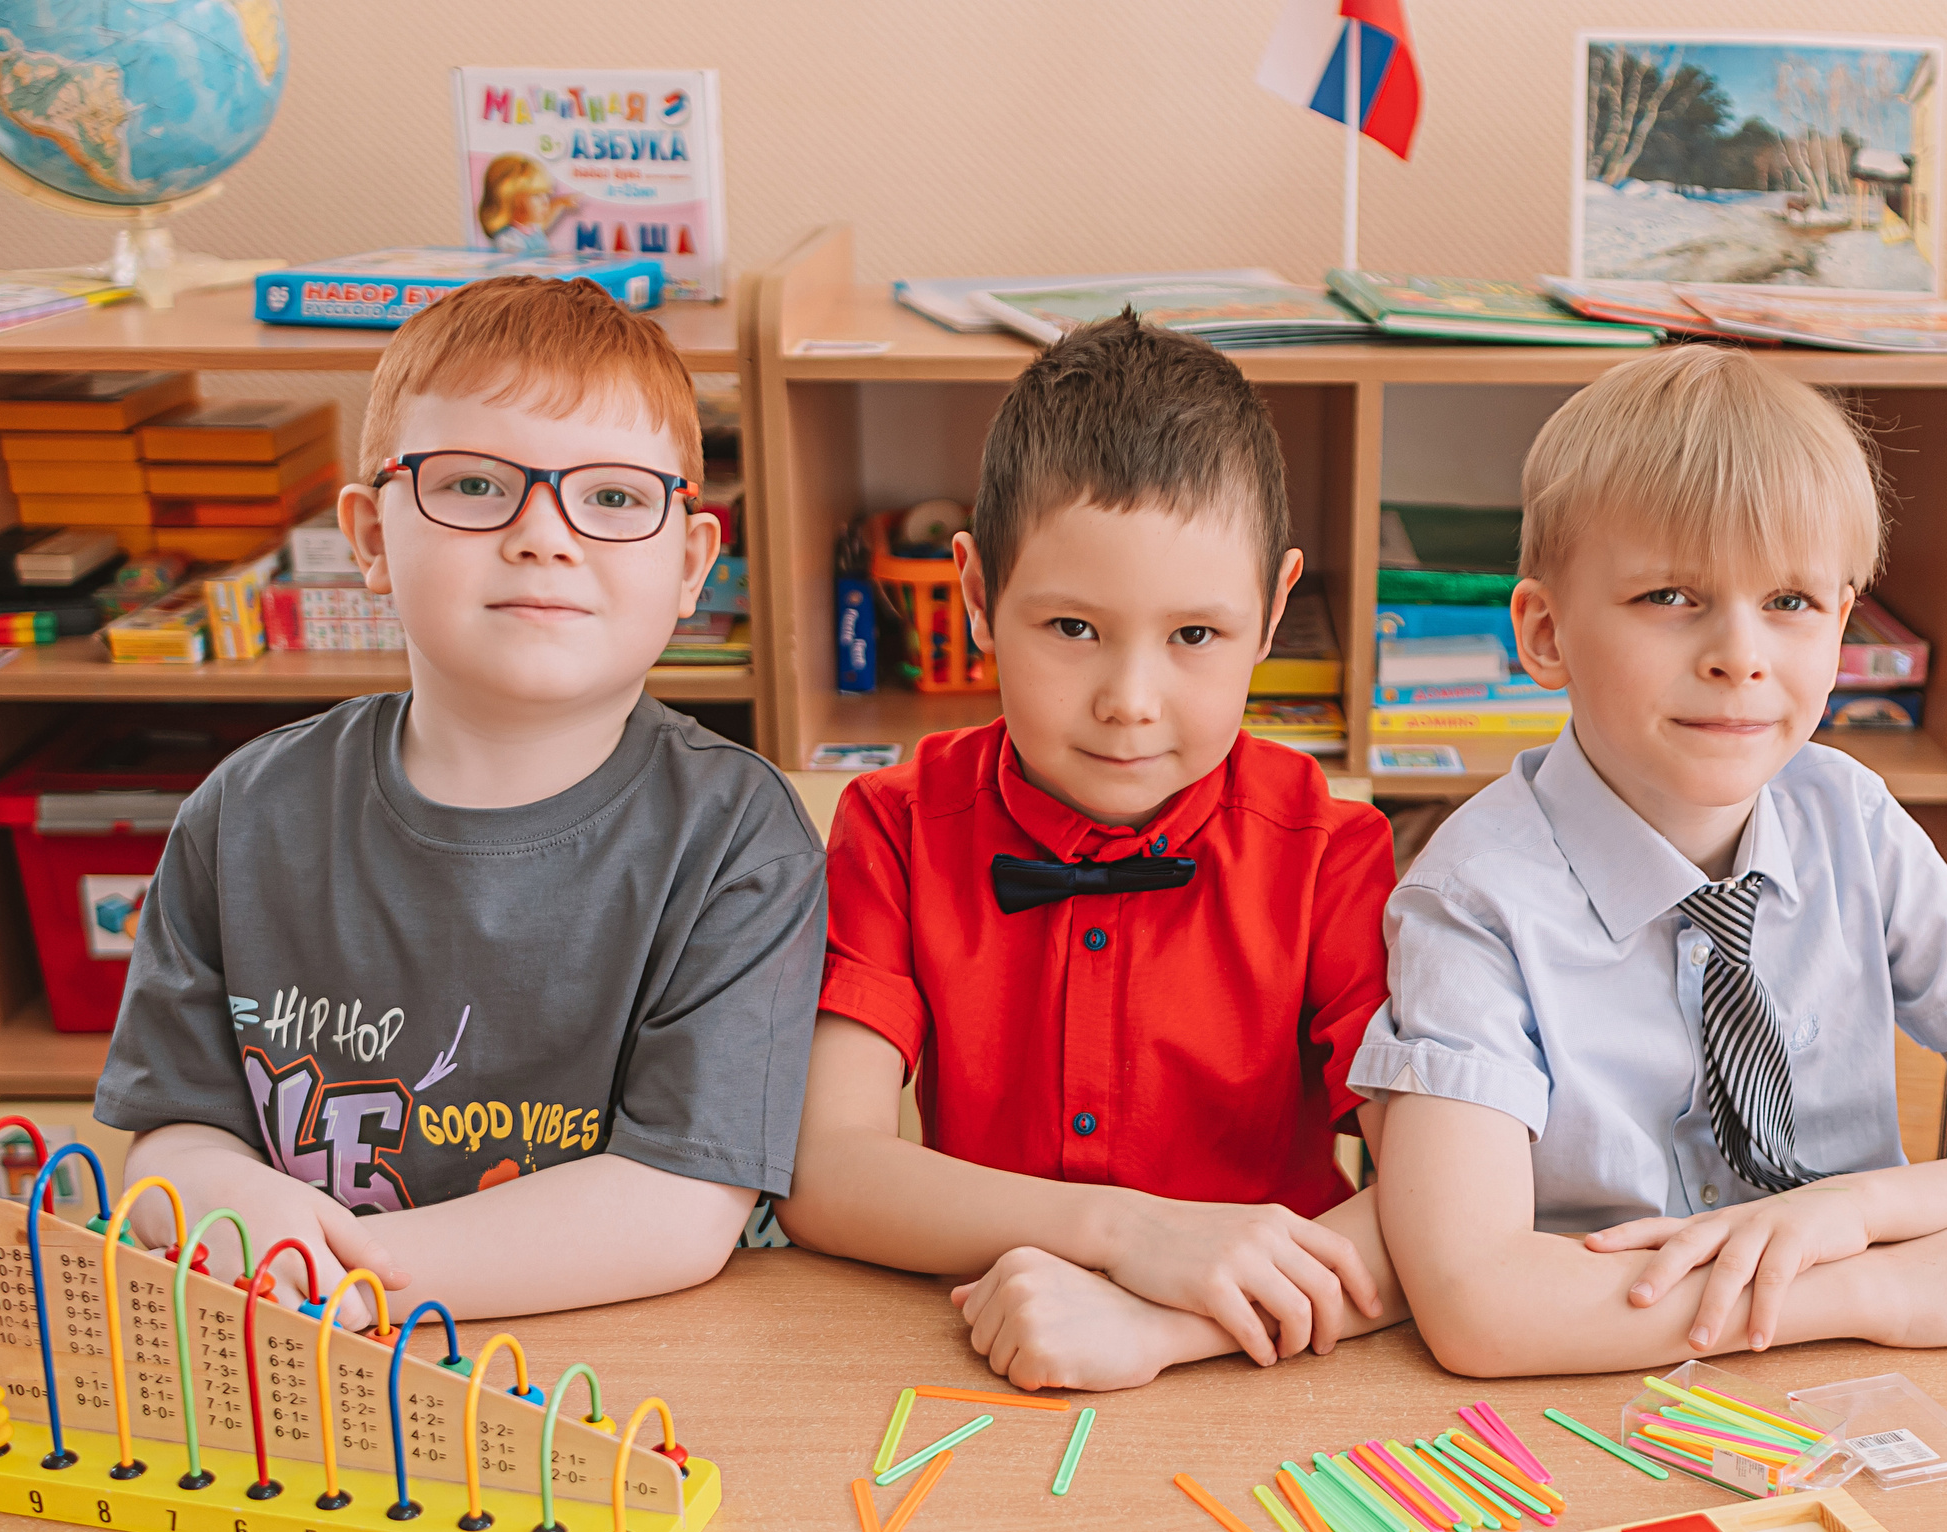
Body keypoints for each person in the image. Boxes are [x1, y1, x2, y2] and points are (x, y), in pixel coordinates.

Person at [1361, 344, 1947, 1376]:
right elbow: (1479, 1305)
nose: (1739, 655)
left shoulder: (1853, 822)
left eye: (1788, 602)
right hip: (1604, 1384)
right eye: (1669, 597)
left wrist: (1852, 1212)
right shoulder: (1472, 896)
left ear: (1841, 624)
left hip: (1874, 1381)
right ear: (1546, 632)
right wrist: (1866, 1288)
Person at [98, 276, 826, 1319]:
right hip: (302, 1361)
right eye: (475, 485)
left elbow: (677, 1203)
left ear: (691, 563)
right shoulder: (247, 810)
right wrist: (217, 1195)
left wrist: (343, 1279)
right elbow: (171, 1132)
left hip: (615, 1371)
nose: (544, 534)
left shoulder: (736, 841)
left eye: (613, 497)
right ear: (371, 537)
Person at [777, 312, 1411, 1390]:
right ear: (976, 595)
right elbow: (824, 1174)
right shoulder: (891, 824)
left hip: (1268, 1375)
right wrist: (1124, 1234)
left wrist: (1165, 1325)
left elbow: (1440, 1212)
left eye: (1194, 637)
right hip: (968, 1355)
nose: (1128, 702)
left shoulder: (1334, 854)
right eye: (1072, 628)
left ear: (1271, 615)